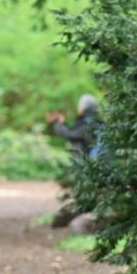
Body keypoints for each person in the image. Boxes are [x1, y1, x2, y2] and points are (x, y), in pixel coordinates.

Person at [46, 93, 100, 228]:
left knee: (86, 190)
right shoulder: (95, 122)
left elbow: (70, 134)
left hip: (88, 164)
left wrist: (58, 123)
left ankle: (88, 217)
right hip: (94, 163)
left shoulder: (86, 123)